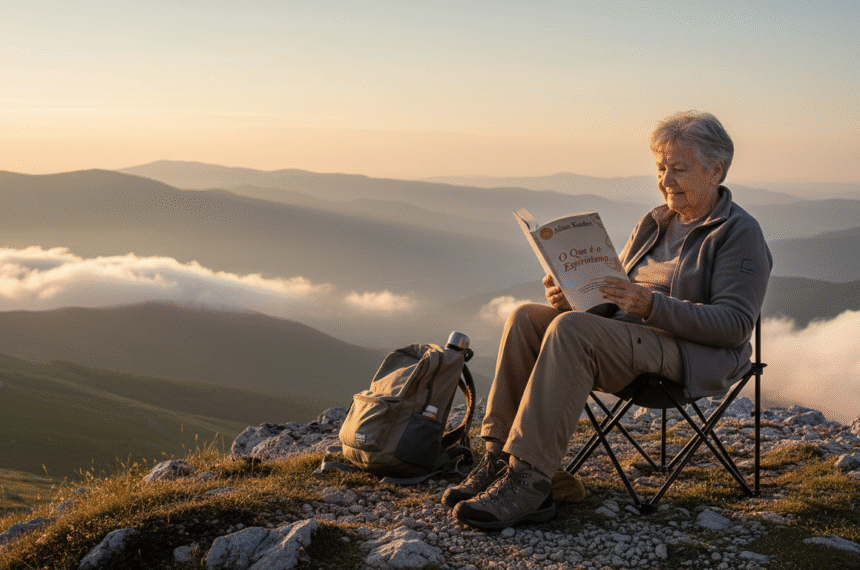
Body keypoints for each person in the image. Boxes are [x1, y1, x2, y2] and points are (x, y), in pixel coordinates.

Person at [442, 111, 772, 530]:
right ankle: (498, 459)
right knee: (527, 318)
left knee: (571, 331)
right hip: (624, 340)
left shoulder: (738, 232)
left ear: (716, 170)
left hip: (687, 354)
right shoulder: (655, 222)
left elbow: (735, 325)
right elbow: (611, 303)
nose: (666, 180)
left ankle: (531, 483)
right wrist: (573, 297)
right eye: (661, 167)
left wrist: (650, 306)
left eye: (679, 169)